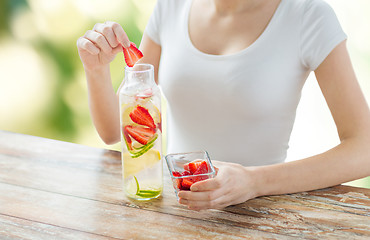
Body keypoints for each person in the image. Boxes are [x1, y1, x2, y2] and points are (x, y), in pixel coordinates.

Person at [77, 0, 370, 210]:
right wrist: (96, 69)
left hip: (262, 215)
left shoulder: (308, 14)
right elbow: (115, 131)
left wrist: (254, 182)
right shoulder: (170, 6)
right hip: (175, 211)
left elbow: (364, 149)